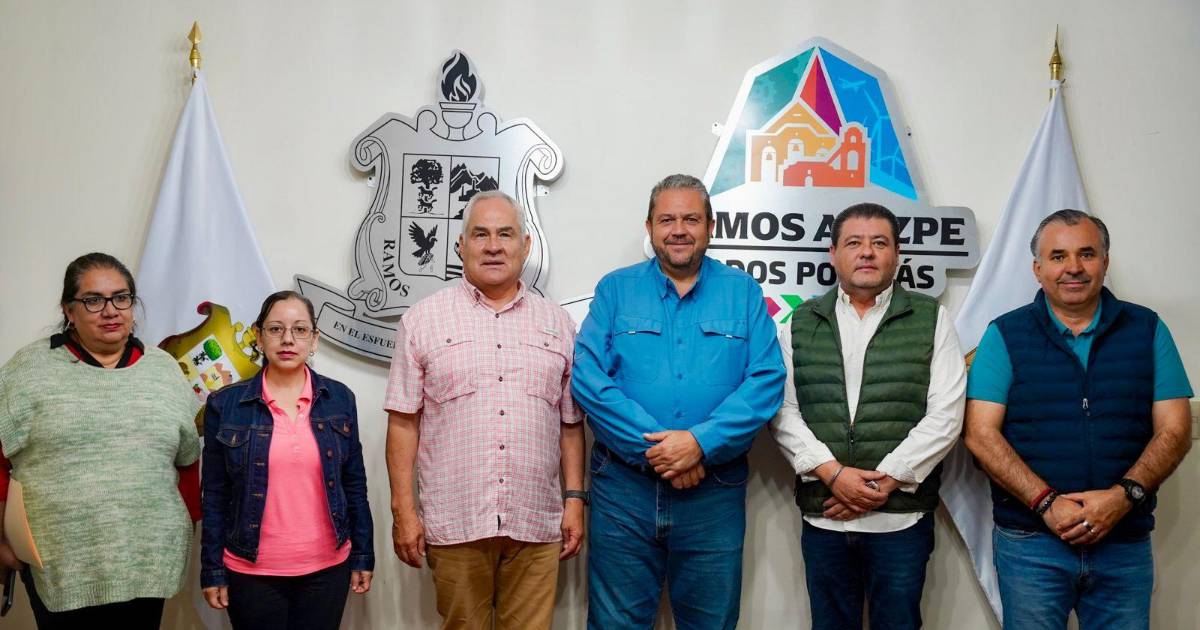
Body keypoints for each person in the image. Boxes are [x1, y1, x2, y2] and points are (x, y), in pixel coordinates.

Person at [571, 174, 786, 629]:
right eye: (667, 220)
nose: (679, 230)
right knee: (614, 625)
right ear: (649, 227)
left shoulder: (743, 292)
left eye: (691, 219)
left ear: (711, 226)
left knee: (711, 622)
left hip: (713, 493)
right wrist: (664, 449)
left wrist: (700, 443)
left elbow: (766, 380)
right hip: (623, 492)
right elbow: (588, 378)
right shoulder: (615, 290)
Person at [963, 209, 1193, 630]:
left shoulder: (1147, 329)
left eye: (1087, 254)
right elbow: (979, 434)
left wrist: (1123, 497)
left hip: (1123, 541)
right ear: (1037, 269)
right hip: (1031, 544)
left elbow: (1176, 430)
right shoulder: (1005, 334)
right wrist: (1047, 503)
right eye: (1058, 256)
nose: (1073, 267)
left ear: (1105, 261)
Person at [384, 190, 585, 630]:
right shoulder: (422, 320)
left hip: (536, 520)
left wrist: (574, 500)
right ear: (461, 246)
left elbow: (570, 423)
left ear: (525, 245)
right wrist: (404, 511)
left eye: (505, 234)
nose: (493, 246)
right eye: (480, 234)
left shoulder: (559, 324)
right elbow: (403, 422)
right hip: (456, 520)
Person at [770, 203, 966, 630]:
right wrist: (835, 475)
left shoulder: (931, 319)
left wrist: (882, 483)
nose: (867, 252)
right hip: (825, 517)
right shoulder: (800, 322)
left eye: (879, 243)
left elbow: (946, 415)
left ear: (897, 254)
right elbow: (783, 412)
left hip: (901, 522)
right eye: (854, 243)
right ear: (833, 253)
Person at [0, 252, 201, 628]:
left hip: (148, 556)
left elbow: (188, 459)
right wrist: (2, 539)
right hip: (60, 560)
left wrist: (185, 527)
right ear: (69, 309)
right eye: (93, 300)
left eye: (121, 298)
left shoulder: (164, 370)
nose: (110, 311)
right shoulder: (27, 370)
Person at [201, 291, 374, 630]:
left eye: (300, 329)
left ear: (314, 339)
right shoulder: (226, 404)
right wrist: (212, 568)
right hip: (251, 571)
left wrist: (363, 554)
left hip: (327, 569)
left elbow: (354, 485)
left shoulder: (339, 399)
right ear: (258, 335)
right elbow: (215, 496)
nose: (288, 339)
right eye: (276, 329)